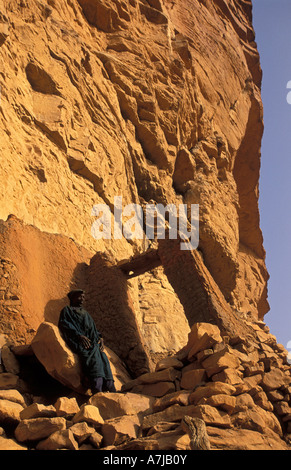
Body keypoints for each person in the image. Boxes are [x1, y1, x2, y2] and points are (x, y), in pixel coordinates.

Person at [58, 289, 116, 394]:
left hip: (93, 343)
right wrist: (78, 335)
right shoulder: (67, 310)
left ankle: (110, 387)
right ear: (72, 298)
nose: (82, 299)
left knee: (103, 359)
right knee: (93, 361)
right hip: (81, 343)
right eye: (79, 297)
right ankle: (97, 390)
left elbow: (93, 329)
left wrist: (100, 338)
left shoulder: (85, 313)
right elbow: (64, 324)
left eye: (83, 297)